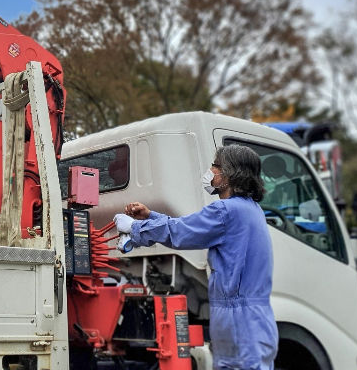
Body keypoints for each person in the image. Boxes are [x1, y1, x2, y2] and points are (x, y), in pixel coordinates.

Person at [113, 144, 279, 370]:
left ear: (230, 175)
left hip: (238, 322)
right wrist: (150, 217)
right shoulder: (249, 209)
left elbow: (180, 233)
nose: (211, 170)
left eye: (216, 166)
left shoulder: (226, 211)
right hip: (251, 320)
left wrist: (134, 228)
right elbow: (187, 226)